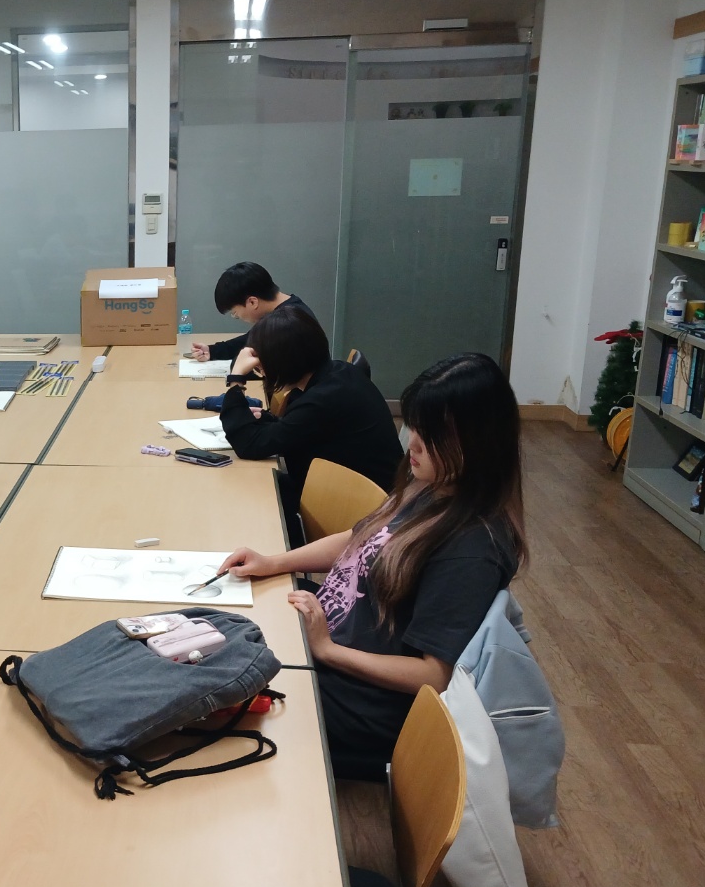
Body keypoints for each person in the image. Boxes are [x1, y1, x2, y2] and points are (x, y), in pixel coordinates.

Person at [219, 353, 526, 781]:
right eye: (415, 426)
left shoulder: (472, 548)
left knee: (212, 689)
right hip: (334, 639)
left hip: (362, 700)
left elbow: (434, 676)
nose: (412, 443)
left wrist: (327, 649)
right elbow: (360, 538)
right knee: (213, 630)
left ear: (477, 442)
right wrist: (272, 562)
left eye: (430, 435)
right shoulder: (434, 484)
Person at [219, 306, 400, 491]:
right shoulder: (338, 372)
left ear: (284, 360)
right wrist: (269, 421)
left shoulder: (322, 399)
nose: (260, 370)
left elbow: (249, 445)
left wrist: (236, 379)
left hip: (352, 500)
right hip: (350, 485)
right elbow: (303, 428)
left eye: (262, 363)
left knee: (243, 489)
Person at [191, 261, 317, 363]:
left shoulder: (287, 323)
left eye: (235, 313)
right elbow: (251, 340)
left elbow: (256, 364)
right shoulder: (289, 309)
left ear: (252, 302)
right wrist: (212, 351)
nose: (237, 317)